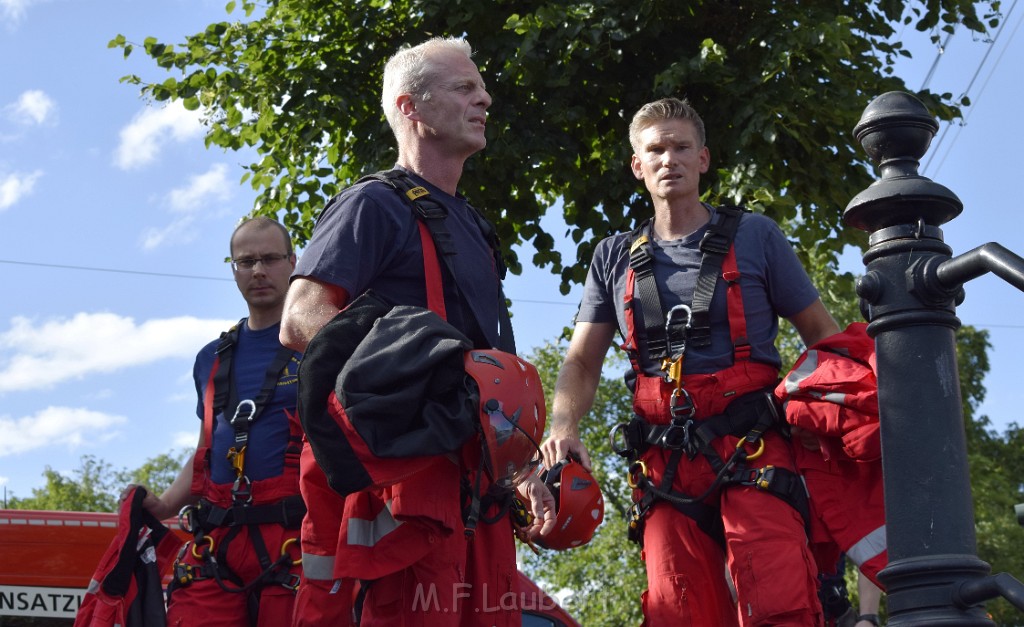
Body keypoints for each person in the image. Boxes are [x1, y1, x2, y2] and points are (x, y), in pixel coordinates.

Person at [280, 36, 555, 627]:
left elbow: (486, 367)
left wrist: (522, 463)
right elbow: (301, 318)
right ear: (412, 107)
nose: (485, 98)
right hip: (400, 489)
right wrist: (418, 372)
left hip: (474, 485)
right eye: (464, 88)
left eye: (480, 87)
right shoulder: (372, 205)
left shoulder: (476, 229)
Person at [540, 97, 841, 626]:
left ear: (703, 159)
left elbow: (822, 337)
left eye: (681, 147)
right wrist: (562, 427)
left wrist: (828, 417)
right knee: (678, 611)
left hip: (754, 448)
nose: (668, 159)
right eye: (654, 149)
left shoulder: (756, 236)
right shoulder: (613, 257)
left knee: (779, 599)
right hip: (663, 465)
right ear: (638, 165)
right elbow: (582, 362)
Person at [130, 216, 304, 627]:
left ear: (293, 262)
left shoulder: (317, 344)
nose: (258, 270)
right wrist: (165, 504)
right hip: (217, 540)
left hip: (293, 536)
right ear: (233, 270)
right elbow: (207, 448)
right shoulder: (212, 357)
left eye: (269, 259)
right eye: (246, 262)